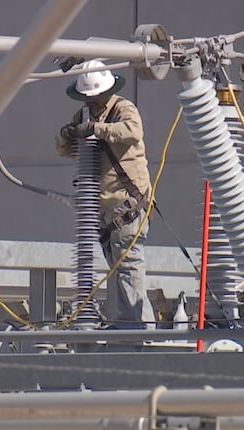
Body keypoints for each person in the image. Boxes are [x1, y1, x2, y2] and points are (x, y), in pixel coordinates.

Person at [56, 59, 156, 330]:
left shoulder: (123, 109)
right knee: (119, 269)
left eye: (96, 97)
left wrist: (97, 130)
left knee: (128, 265)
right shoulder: (84, 116)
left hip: (128, 204)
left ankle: (131, 327)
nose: (92, 103)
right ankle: (138, 325)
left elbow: (133, 132)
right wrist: (67, 135)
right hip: (103, 209)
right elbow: (66, 150)